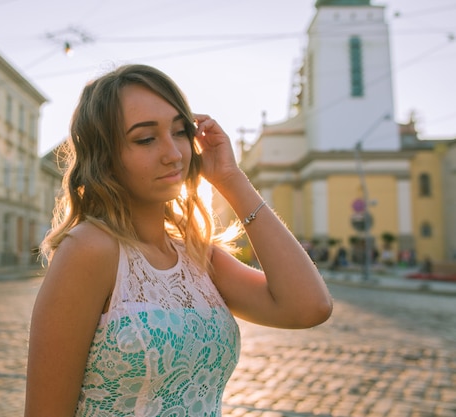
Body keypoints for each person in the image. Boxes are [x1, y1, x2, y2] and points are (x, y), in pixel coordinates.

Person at [24, 64, 333, 417]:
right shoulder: (90, 249)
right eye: (145, 138)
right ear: (105, 156)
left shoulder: (200, 257)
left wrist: (231, 179)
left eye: (180, 131)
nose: (174, 153)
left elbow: (309, 307)